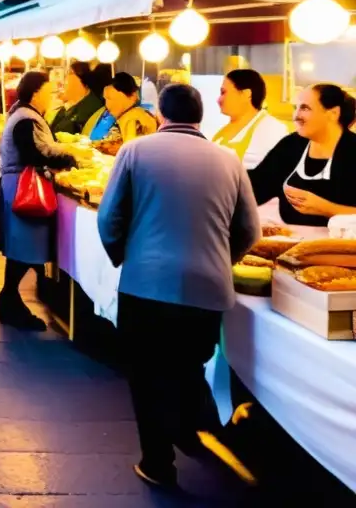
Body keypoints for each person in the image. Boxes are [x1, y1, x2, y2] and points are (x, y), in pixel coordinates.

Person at [97, 84, 261, 489]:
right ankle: (192, 430)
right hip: (208, 287)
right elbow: (250, 230)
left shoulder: (136, 151)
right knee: (189, 365)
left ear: (160, 116)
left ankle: (158, 462)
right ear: (200, 117)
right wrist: (223, 260)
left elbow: (108, 219)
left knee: (146, 371)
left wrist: (125, 256)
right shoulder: (229, 160)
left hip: (147, 284)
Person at [0, 71, 76, 329]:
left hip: (18, 185)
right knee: (24, 247)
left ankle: (9, 299)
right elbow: (33, 154)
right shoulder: (25, 119)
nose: (51, 96)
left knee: (22, 247)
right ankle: (9, 300)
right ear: (36, 93)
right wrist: (67, 159)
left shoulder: (23, 114)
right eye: (49, 91)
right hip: (24, 189)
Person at [248, 84, 356, 227]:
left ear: (333, 113)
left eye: (305, 108)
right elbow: (257, 188)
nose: (296, 116)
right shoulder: (291, 146)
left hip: (344, 246)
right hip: (291, 242)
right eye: (296, 108)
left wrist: (326, 209)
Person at [213, 69, 288, 169]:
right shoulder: (221, 134)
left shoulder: (272, 129)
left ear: (246, 94)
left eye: (223, 92)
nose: (219, 100)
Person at [84, 72, 157, 142]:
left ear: (132, 96)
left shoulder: (134, 117)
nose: (107, 104)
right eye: (105, 99)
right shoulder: (118, 115)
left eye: (111, 99)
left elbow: (131, 151)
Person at [50, 62, 104, 136]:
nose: (63, 82)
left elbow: (63, 130)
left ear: (79, 80)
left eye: (70, 73)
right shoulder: (69, 104)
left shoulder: (91, 107)